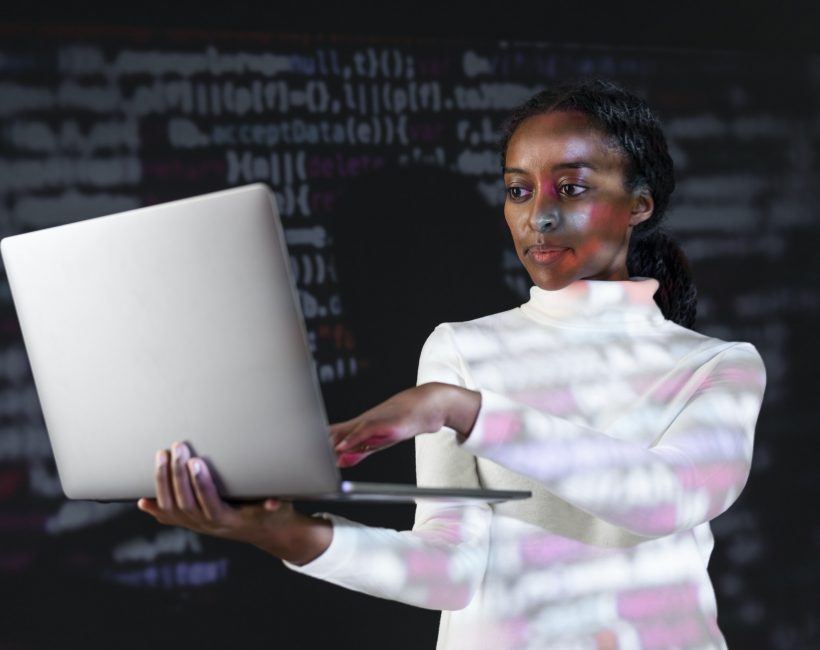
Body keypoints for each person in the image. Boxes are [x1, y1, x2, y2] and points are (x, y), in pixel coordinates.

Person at [138, 79, 766, 649]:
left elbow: (664, 497)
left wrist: (463, 410)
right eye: (519, 190)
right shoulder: (462, 348)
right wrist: (282, 534)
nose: (539, 215)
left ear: (640, 205)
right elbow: (449, 572)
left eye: (571, 188)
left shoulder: (720, 366)